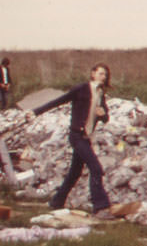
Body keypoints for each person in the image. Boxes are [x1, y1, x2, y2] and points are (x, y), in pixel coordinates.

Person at [26, 63, 113, 216]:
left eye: (105, 74)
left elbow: (105, 118)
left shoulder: (100, 94)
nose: (103, 77)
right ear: (92, 74)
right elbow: (59, 100)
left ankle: (56, 201)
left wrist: (102, 114)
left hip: (86, 138)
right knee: (96, 168)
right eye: (100, 73)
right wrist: (36, 112)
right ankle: (100, 206)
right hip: (76, 136)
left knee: (75, 172)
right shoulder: (81, 89)